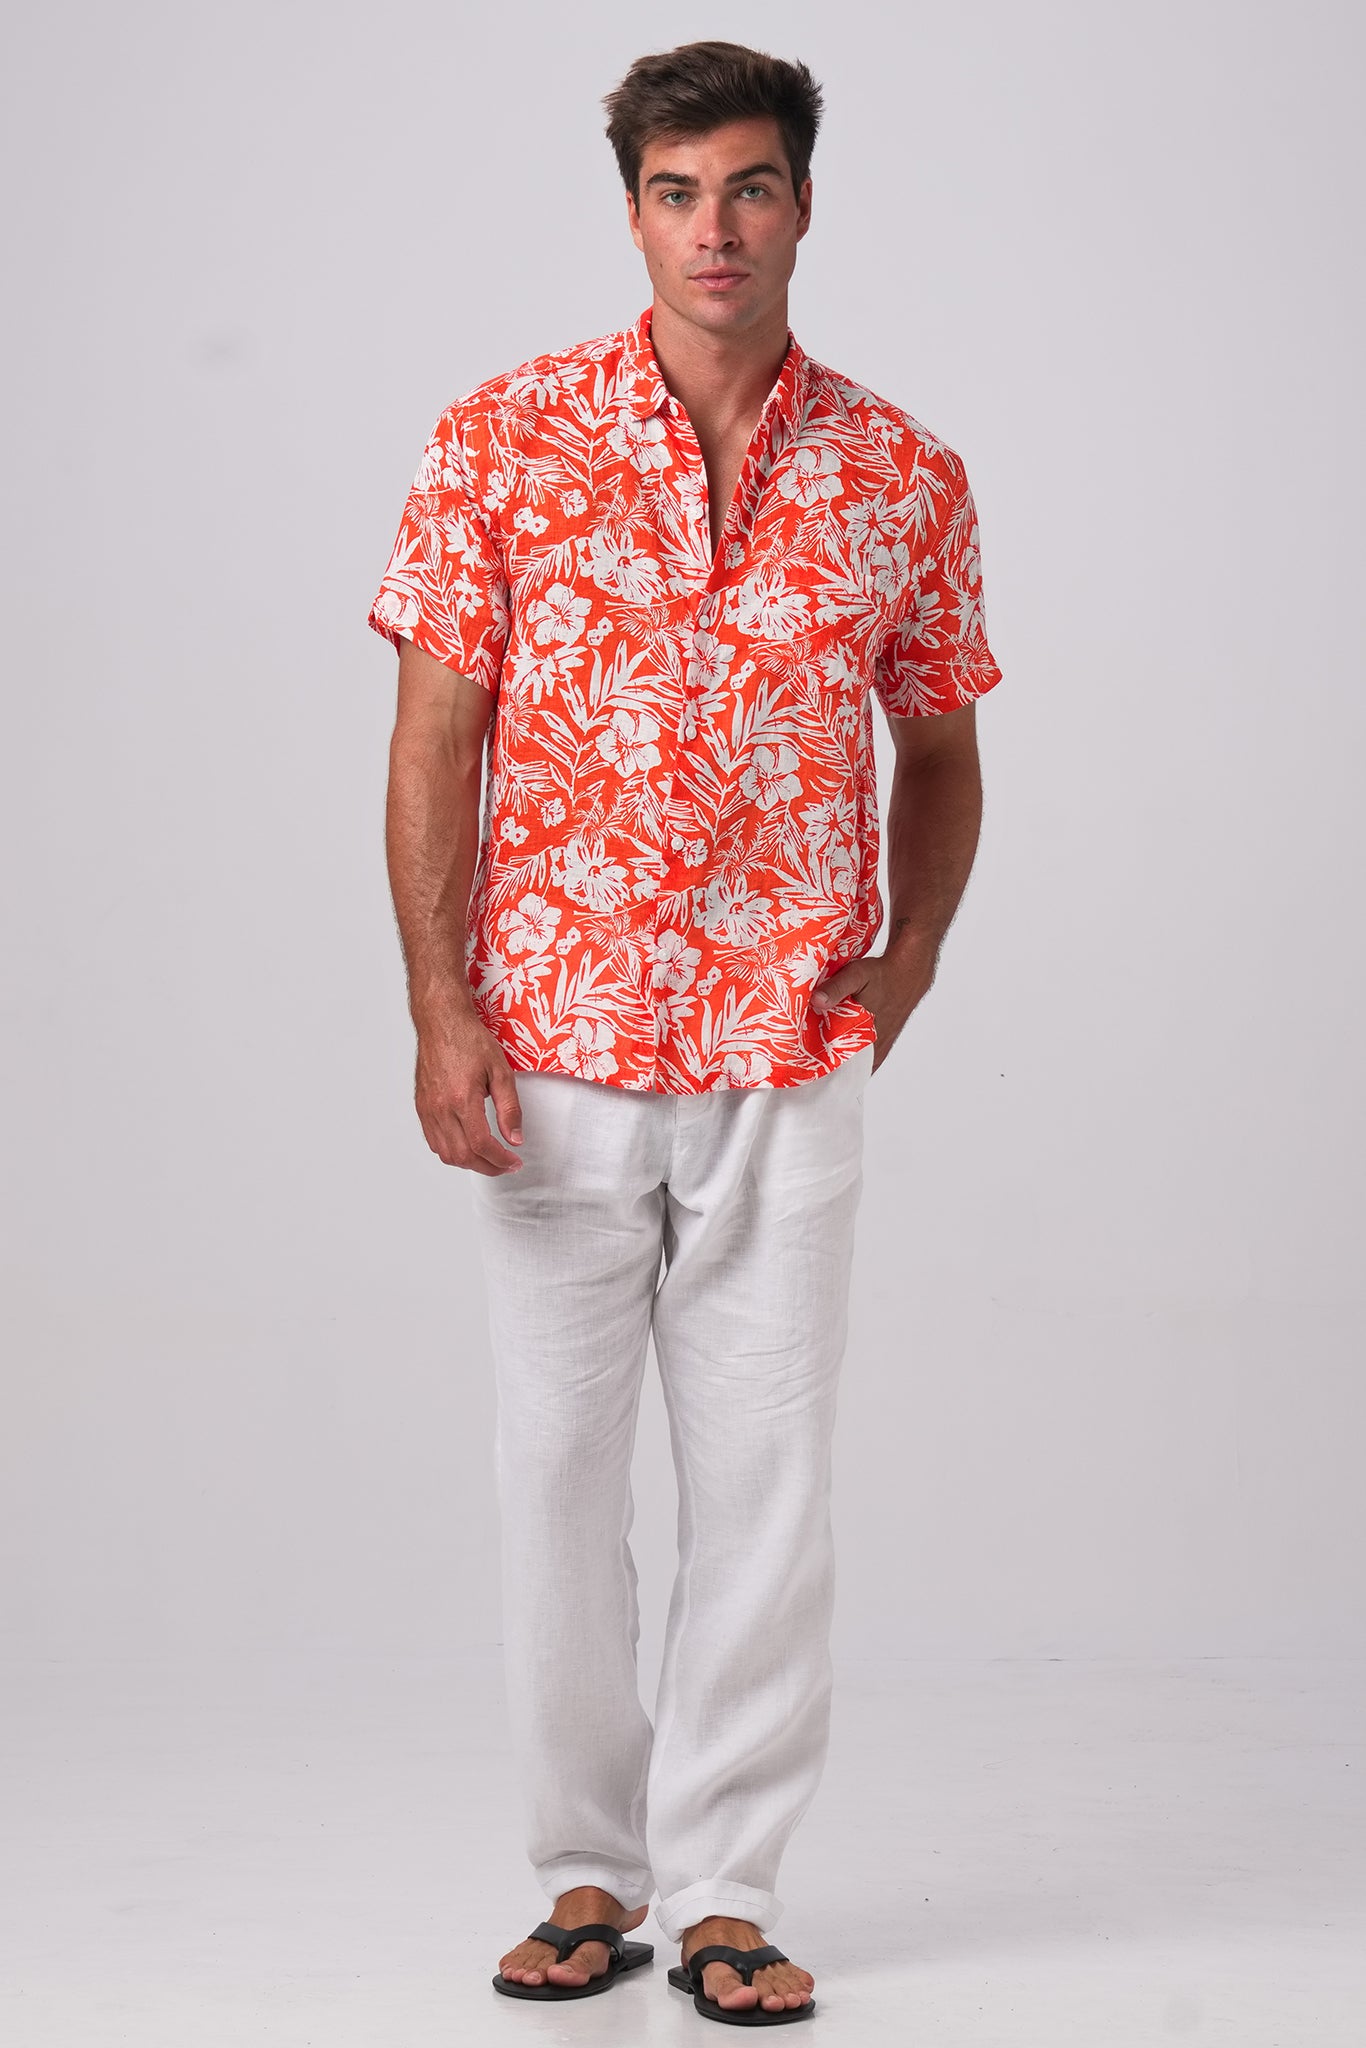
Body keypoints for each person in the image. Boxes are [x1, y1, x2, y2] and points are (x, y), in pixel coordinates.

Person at [369, 38, 1003, 2027]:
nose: (712, 228)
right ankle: (585, 1867)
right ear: (630, 210)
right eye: (674, 191)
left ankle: (726, 1886)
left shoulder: (901, 474)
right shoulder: (502, 438)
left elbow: (939, 747)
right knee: (556, 1476)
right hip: (550, 1047)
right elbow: (435, 740)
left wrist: (904, 963)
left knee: (765, 1486)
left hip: (782, 1056)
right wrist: (440, 1008)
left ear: (802, 203)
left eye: (746, 187)